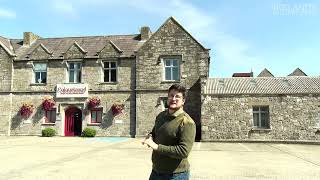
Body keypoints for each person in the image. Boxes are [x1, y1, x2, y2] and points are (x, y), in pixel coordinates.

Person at [142, 84, 196, 180]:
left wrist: (156, 147)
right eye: (171, 95)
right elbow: (154, 133)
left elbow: (183, 151)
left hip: (176, 175)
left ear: (183, 101)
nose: (173, 99)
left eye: (177, 96)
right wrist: (150, 137)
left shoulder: (187, 122)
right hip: (156, 171)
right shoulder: (161, 116)